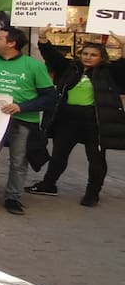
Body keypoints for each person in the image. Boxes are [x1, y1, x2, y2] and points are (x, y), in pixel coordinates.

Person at [27, 28, 125, 207]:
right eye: (85, 53)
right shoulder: (70, 68)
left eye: (93, 55)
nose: (88, 57)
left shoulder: (109, 72)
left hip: (95, 123)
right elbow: (51, 56)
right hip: (68, 121)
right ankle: (49, 185)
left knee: (96, 160)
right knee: (58, 156)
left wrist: (123, 44)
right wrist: (42, 37)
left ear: (101, 57)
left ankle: (92, 194)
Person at [0, 26, 56, 215]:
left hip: (23, 120)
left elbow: (50, 97)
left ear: (11, 43)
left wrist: (22, 107)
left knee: (18, 162)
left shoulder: (34, 66)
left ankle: (13, 198)